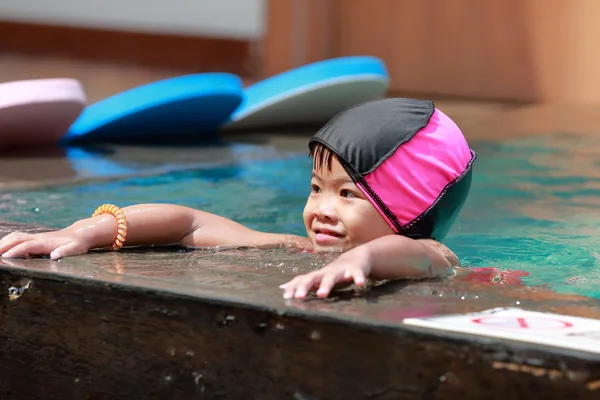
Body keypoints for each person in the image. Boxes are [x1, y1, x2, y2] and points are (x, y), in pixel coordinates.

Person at [0, 98, 476, 300]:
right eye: (316, 188)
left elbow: (410, 252)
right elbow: (189, 222)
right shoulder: (299, 247)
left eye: (348, 193)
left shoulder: (436, 256)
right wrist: (84, 233)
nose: (321, 208)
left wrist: (362, 261)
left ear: (410, 208)